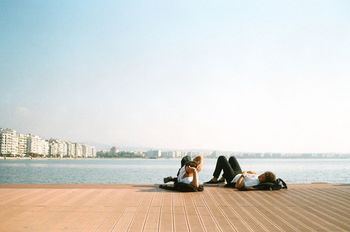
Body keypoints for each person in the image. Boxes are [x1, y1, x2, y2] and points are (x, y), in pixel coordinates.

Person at [204, 155, 276, 190]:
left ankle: (215, 179)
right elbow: (253, 173)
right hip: (238, 174)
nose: (261, 176)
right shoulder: (258, 177)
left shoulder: (254, 183)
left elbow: (238, 186)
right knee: (232, 158)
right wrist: (248, 173)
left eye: (263, 177)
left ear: (265, 181)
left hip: (233, 178)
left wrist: (243, 175)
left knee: (222, 158)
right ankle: (222, 179)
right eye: (262, 174)